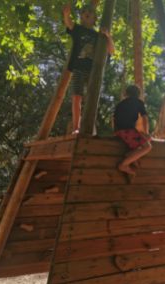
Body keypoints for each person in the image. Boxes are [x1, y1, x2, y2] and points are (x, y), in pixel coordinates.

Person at [62, 3, 114, 134]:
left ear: (95, 18)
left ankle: (90, 126)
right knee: (76, 97)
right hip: (78, 67)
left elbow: (112, 51)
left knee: (92, 97)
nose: (86, 14)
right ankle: (76, 127)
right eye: (84, 13)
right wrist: (66, 14)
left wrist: (108, 36)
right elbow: (69, 23)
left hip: (93, 71)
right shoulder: (78, 29)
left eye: (89, 13)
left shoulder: (99, 36)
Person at [112, 85, 152, 177]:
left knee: (145, 140)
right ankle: (124, 164)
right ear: (138, 95)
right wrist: (146, 133)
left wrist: (115, 133)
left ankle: (131, 155)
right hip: (127, 131)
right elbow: (145, 118)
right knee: (147, 147)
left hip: (119, 131)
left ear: (126, 94)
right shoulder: (138, 102)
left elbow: (114, 119)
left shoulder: (120, 104)